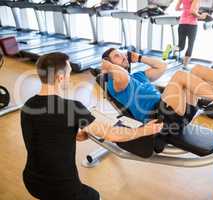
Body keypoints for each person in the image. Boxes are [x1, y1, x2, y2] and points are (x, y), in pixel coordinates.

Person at [20, 53, 163, 200]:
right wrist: (144, 130)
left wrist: (71, 134)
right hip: (63, 189)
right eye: (69, 73)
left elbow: (41, 133)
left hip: (31, 181)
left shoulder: (27, 106)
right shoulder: (72, 108)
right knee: (96, 197)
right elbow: (111, 134)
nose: (69, 77)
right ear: (60, 78)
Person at [100, 48, 213, 135]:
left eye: (122, 54)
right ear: (108, 64)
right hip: (160, 119)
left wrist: (140, 58)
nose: (123, 57)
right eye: (117, 56)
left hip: (175, 111)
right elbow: (122, 76)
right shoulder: (115, 85)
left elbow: (161, 66)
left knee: (196, 69)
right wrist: (107, 67)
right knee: (180, 76)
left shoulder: (138, 75)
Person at [163, 0, 208, 66]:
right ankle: (185, 66)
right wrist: (201, 16)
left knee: (180, 46)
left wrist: (185, 9)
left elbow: (177, 8)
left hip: (182, 23)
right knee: (190, 46)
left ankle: (170, 48)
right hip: (192, 24)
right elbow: (192, 11)